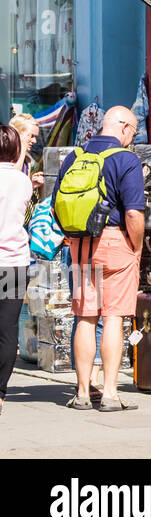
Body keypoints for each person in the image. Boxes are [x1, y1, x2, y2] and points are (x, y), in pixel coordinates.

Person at [52, 106, 145, 412]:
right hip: (117, 242)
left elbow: (56, 205)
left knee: (85, 318)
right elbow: (133, 212)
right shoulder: (126, 159)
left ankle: (81, 392)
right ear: (124, 128)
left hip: (79, 246)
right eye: (133, 131)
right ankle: (108, 393)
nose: (132, 138)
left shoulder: (75, 157)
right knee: (114, 317)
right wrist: (136, 246)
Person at [0, 124, 34, 415]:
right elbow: (24, 214)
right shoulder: (23, 182)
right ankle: (0, 392)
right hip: (14, 264)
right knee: (7, 329)